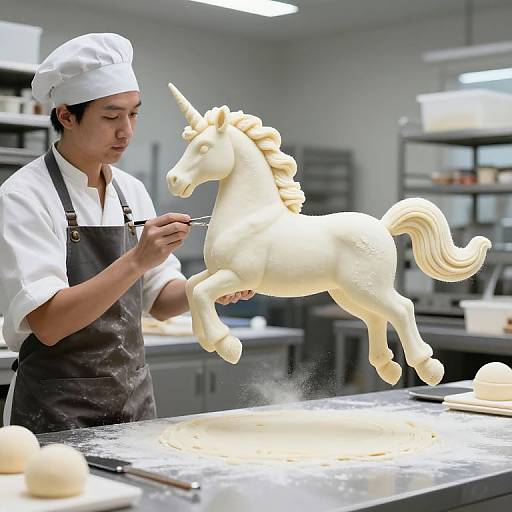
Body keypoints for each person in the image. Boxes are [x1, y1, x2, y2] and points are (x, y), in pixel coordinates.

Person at [0, 33, 253, 433]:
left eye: (134, 114)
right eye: (110, 116)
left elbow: (160, 300)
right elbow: (48, 323)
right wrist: (136, 260)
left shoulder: (129, 191)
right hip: (54, 410)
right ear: (66, 116)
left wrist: (213, 286)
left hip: (131, 402)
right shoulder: (23, 196)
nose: (126, 131)